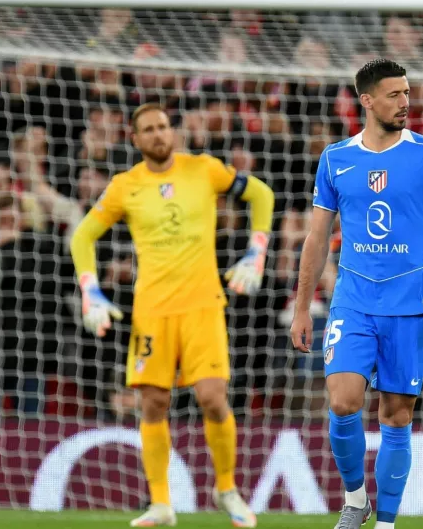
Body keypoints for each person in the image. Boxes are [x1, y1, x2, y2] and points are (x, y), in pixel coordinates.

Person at [69, 103, 275, 528]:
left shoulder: (204, 168)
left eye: (164, 126)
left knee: (213, 397)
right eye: (149, 129)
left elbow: (261, 194)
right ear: (136, 138)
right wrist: (90, 290)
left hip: (203, 305)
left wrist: (256, 253)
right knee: (153, 403)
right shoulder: (125, 186)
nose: (160, 134)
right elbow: (83, 236)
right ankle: (161, 503)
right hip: (152, 311)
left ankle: (227, 488)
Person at [289, 58, 423, 529]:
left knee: (396, 414)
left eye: (407, 93)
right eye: (394, 94)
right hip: (354, 300)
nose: (405, 102)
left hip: (410, 304)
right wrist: (302, 308)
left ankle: (384, 523)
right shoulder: (335, 159)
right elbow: (317, 238)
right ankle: (354, 499)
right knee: (343, 400)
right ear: (366, 100)